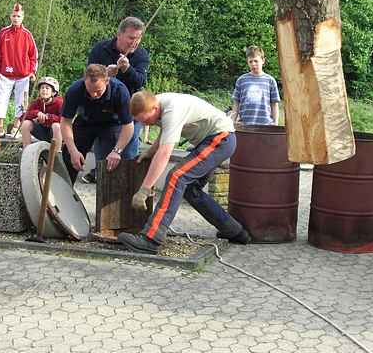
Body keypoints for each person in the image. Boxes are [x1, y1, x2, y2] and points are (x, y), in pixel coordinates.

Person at [118, 91, 251, 254]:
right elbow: (165, 132)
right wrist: (150, 151)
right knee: (190, 189)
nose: (146, 125)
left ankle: (151, 238)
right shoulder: (156, 105)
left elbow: (165, 153)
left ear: (154, 108)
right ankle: (235, 231)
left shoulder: (172, 109)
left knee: (177, 176)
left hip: (221, 138)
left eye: (146, 120)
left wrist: (144, 190)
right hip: (210, 140)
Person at [83, 16, 150, 183]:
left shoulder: (141, 54)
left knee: (128, 156)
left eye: (139, 38)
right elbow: (88, 77)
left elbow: (140, 82)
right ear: (119, 34)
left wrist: (127, 69)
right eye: (131, 38)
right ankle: (103, 193)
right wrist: (105, 74)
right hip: (104, 110)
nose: (135, 42)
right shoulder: (100, 49)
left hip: (130, 110)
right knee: (103, 156)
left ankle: (127, 195)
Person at [61, 64, 134, 184]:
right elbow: (65, 121)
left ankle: (107, 198)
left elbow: (128, 125)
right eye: (90, 91)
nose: (94, 95)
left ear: (107, 81)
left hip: (111, 124)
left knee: (110, 163)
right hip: (85, 122)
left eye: (98, 91)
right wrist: (72, 150)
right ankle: (63, 197)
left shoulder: (120, 91)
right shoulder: (75, 90)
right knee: (69, 157)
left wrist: (117, 151)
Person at [0, 2, 38, 138]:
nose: (15, 18)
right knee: (1, 99)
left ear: (22, 17)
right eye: (13, 15)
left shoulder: (27, 35)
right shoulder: (3, 33)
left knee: (21, 101)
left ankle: (16, 126)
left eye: (18, 16)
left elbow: (33, 55)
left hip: (23, 75)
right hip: (5, 74)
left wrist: (32, 72)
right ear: (10, 17)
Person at [230, 45, 280, 128]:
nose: (253, 64)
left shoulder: (270, 80)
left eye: (256, 61)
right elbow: (236, 103)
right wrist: (233, 122)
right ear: (247, 62)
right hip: (245, 125)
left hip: (265, 126)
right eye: (250, 61)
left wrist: (275, 123)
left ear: (263, 61)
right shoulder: (241, 80)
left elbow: (274, 104)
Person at [20, 76, 63, 147]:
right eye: (42, 88)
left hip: (57, 134)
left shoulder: (59, 103)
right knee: (25, 124)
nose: (44, 90)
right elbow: (22, 117)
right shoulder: (36, 102)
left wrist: (48, 117)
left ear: (53, 92)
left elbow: (63, 120)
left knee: (56, 126)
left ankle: (57, 153)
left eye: (47, 88)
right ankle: (27, 150)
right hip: (43, 133)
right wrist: (36, 113)